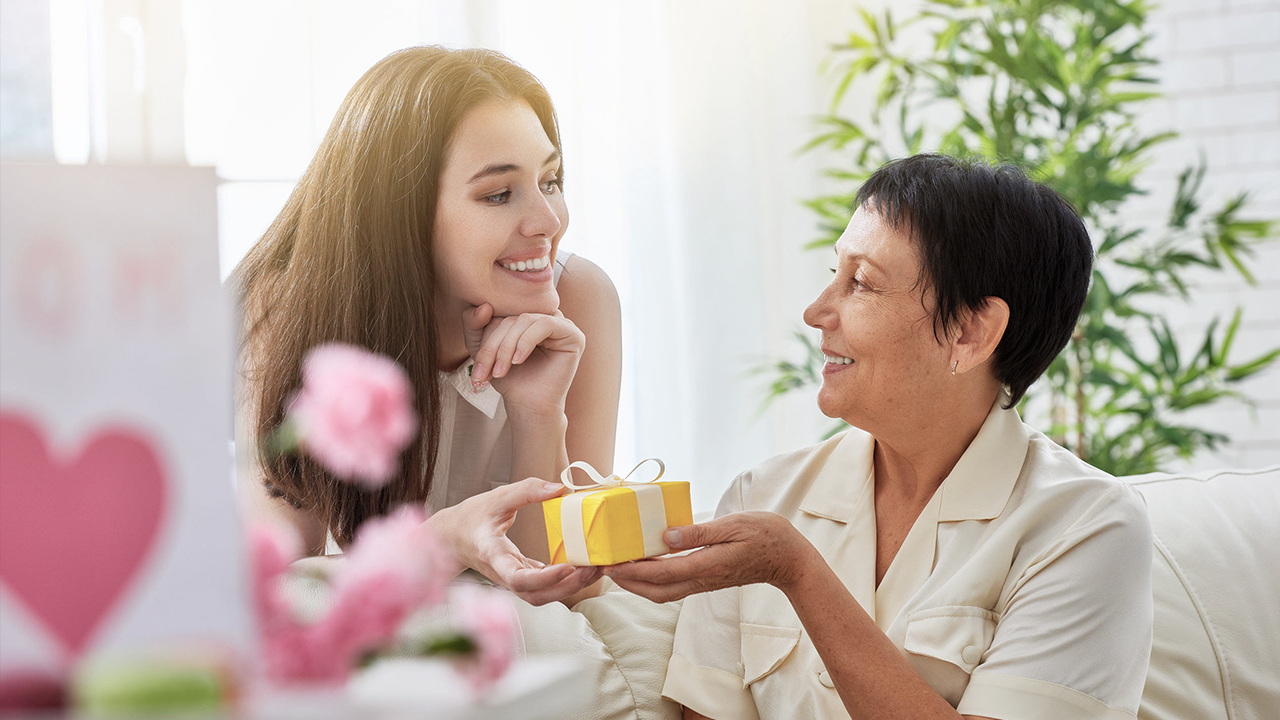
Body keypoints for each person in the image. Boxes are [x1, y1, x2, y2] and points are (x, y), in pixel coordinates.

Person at [605, 154, 1154, 719]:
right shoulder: (762, 497)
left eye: (861, 283)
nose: (816, 312)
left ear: (969, 332)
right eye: (833, 275)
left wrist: (798, 573)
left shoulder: (1087, 527)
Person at [234, 46, 619, 606]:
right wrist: (443, 544)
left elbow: (564, 588)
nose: (548, 221)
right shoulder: (288, 312)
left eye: (550, 180)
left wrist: (538, 414)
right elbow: (284, 589)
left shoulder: (579, 300)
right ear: (399, 212)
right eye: (498, 193)